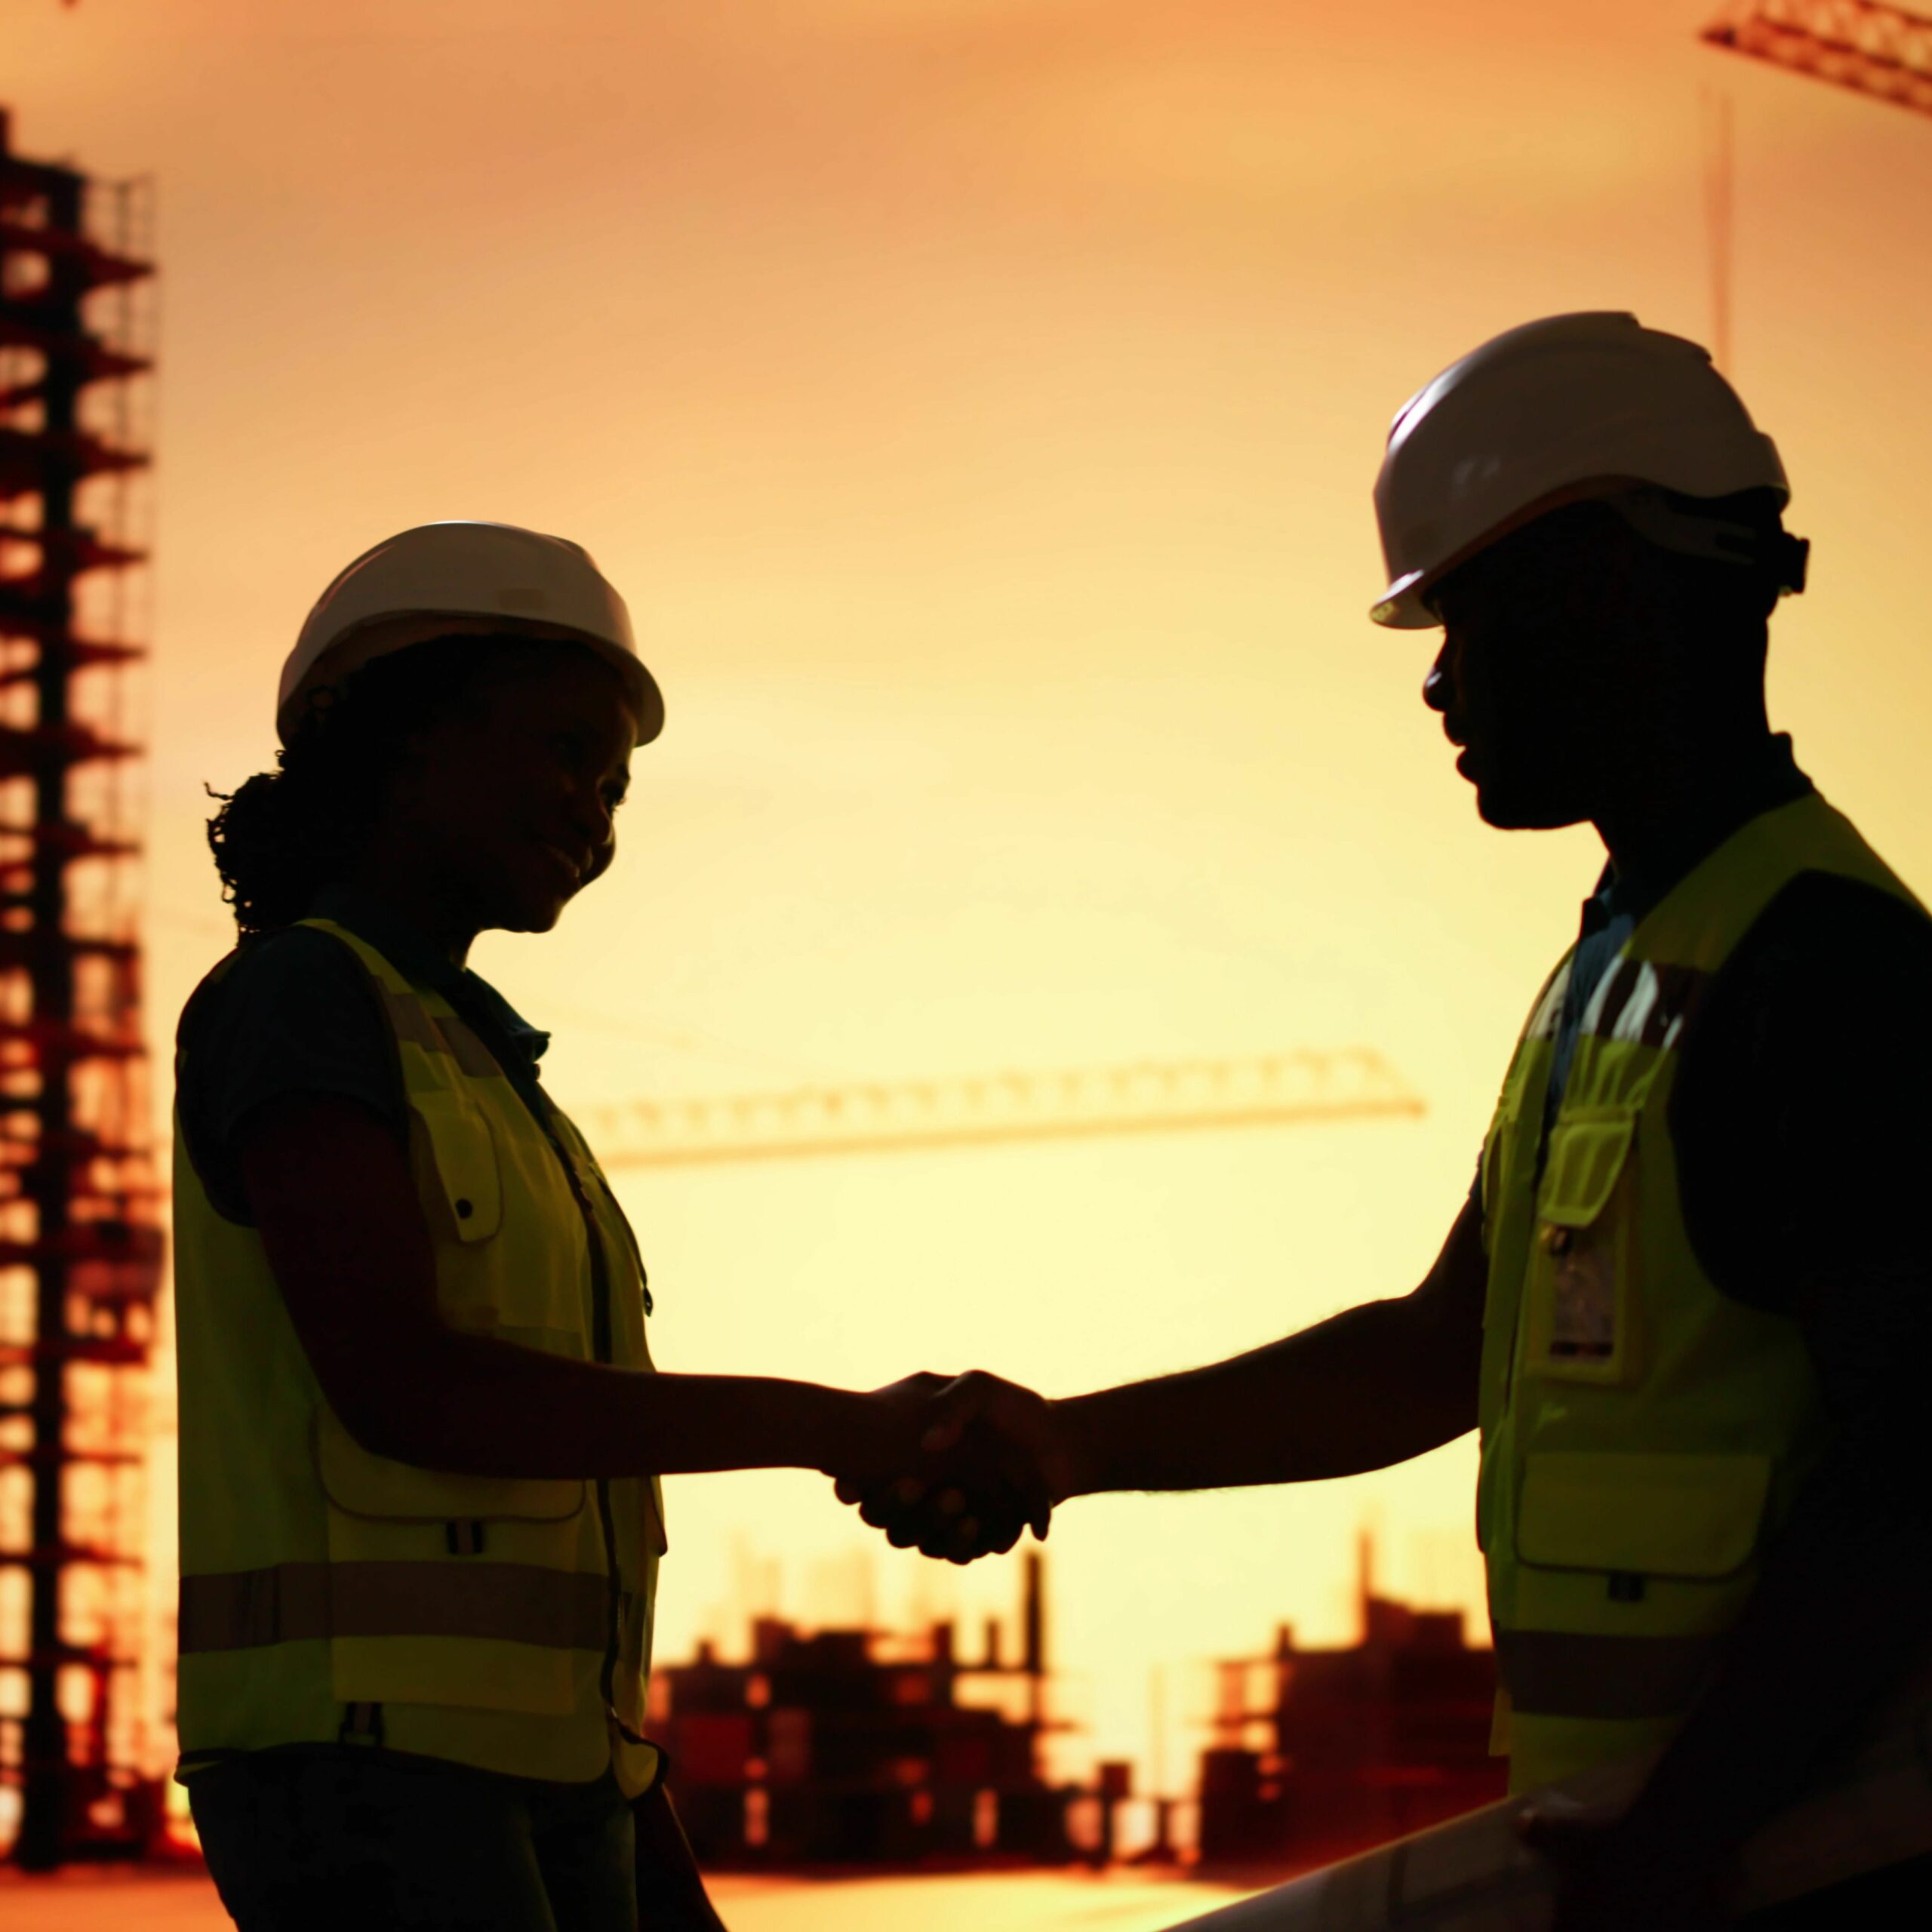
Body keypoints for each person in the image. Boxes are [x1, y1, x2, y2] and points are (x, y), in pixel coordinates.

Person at [851, 315, 1932, 1929]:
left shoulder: (1824, 971)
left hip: (1791, 1860)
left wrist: (1686, 1830)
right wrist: (1072, 1440)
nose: (1436, 679)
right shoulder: (1629, 968)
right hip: (1659, 1846)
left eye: (1463, 615)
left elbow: (1914, 1465)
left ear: (1601, 586)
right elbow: (1434, 1353)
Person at [172, 522, 1029, 1932]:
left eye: (617, 784)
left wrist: (623, 1792)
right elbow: (407, 1388)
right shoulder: (301, 1004)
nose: (596, 812)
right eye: (567, 754)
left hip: (566, 1770)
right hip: (361, 1773)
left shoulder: (495, 1080)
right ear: (406, 735)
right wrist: (836, 1426)